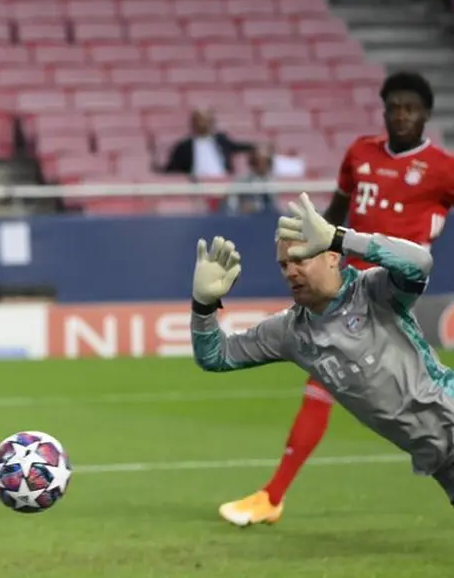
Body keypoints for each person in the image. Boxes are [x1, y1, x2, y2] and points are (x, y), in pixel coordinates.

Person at [218, 71, 454, 526]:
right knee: (321, 388)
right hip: (342, 290)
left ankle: (272, 496)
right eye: (394, 106)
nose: (401, 114)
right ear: (384, 111)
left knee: (405, 394)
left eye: (411, 107)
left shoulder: (443, 167)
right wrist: (310, 258)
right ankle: (272, 495)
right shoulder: (360, 154)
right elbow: (330, 218)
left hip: (391, 293)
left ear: (426, 114)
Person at [192, 193, 454, 509]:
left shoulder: (374, 291)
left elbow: (420, 264)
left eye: (301, 259)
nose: (290, 272)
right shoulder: (289, 332)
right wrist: (203, 306)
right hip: (437, 459)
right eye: (284, 265)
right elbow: (215, 357)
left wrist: (341, 237)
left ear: (332, 257)